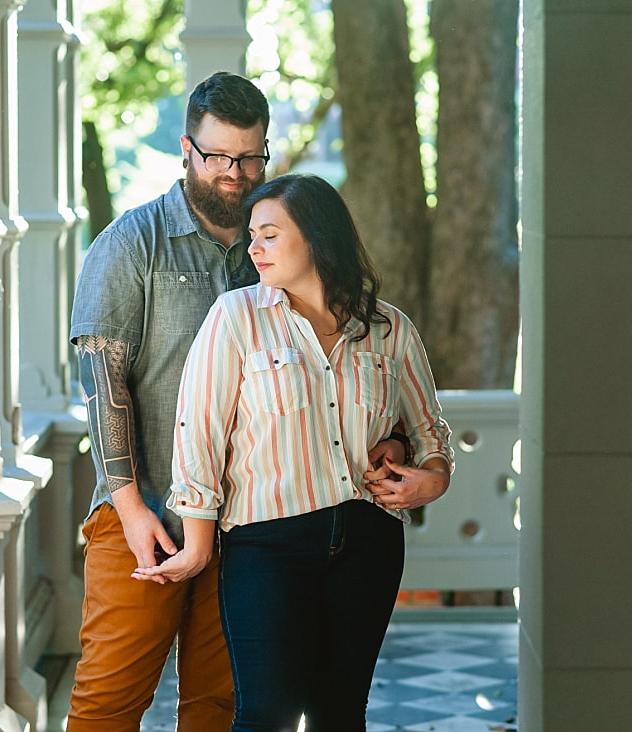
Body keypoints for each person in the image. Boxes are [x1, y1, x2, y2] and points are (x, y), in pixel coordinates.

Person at [67, 73, 405, 731]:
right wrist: (133, 509)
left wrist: (387, 443)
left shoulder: (276, 249)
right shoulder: (132, 245)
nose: (235, 172)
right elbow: (102, 384)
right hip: (143, 515)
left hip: (249, 530)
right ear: (187, 151)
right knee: (108, 702)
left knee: (221, 709)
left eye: (251, 157)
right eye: (219, 156)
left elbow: (333, 367)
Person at [134, 173, 454, 731]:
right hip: (265, 546)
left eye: (270, 235)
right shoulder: (236, 318)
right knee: (265, 714)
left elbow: (430, 433)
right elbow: (200, 432)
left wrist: (431, 480)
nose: (254, 248)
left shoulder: (389, 330)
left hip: (368, 542)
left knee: (339, 714)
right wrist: (198, 544)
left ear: (318, 238)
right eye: (253, 236)